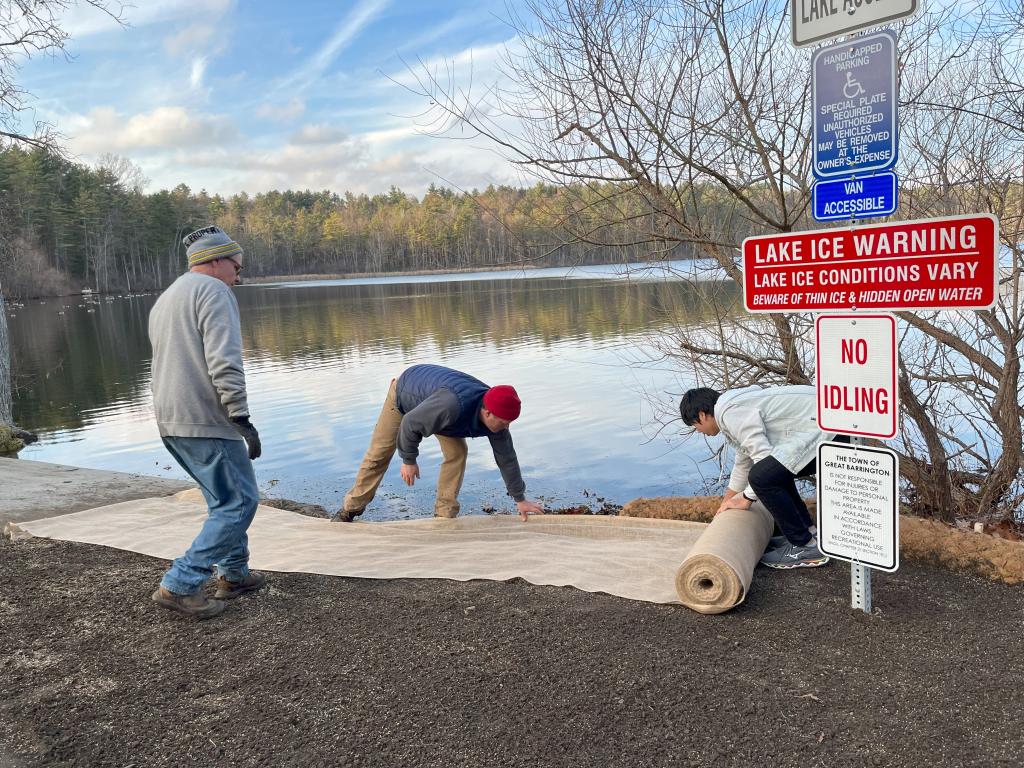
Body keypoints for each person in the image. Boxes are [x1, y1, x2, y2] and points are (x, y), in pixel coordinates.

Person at [148, 226, 266, 619]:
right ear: (215, 261)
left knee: (223, 498)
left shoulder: (168, 296)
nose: (238, 275)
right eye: (236, 266)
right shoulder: (214, 292)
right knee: (240, 502)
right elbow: (224, 359)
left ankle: (234, 574)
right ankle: (181, 584)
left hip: (171, 418)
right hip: (204, 417)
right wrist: (240, 415)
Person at [336, 364, 545, 523]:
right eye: (504, 422)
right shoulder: (450, 407)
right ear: (487, 412)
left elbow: (507, 458)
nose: (507, 428)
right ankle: (351, 509)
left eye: (510, 423)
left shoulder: (498, 417)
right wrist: (409, 460)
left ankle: (444, 516)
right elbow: (410, 423)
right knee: (379, 454)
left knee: (457, 452)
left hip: (438, 406)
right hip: (404, 396)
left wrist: (520, 498)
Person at [679, 384, 836, 569]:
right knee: (772, 470)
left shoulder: (730, 412)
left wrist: (747, 499)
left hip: (830, 429)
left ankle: (803, 546)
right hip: (828, 422)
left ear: (702, 415)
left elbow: (761, 458)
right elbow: (744, 462)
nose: (699, 431)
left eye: (695, 426)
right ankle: (808, 533)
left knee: (763, 476)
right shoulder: (733, 407)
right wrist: (727, 504)